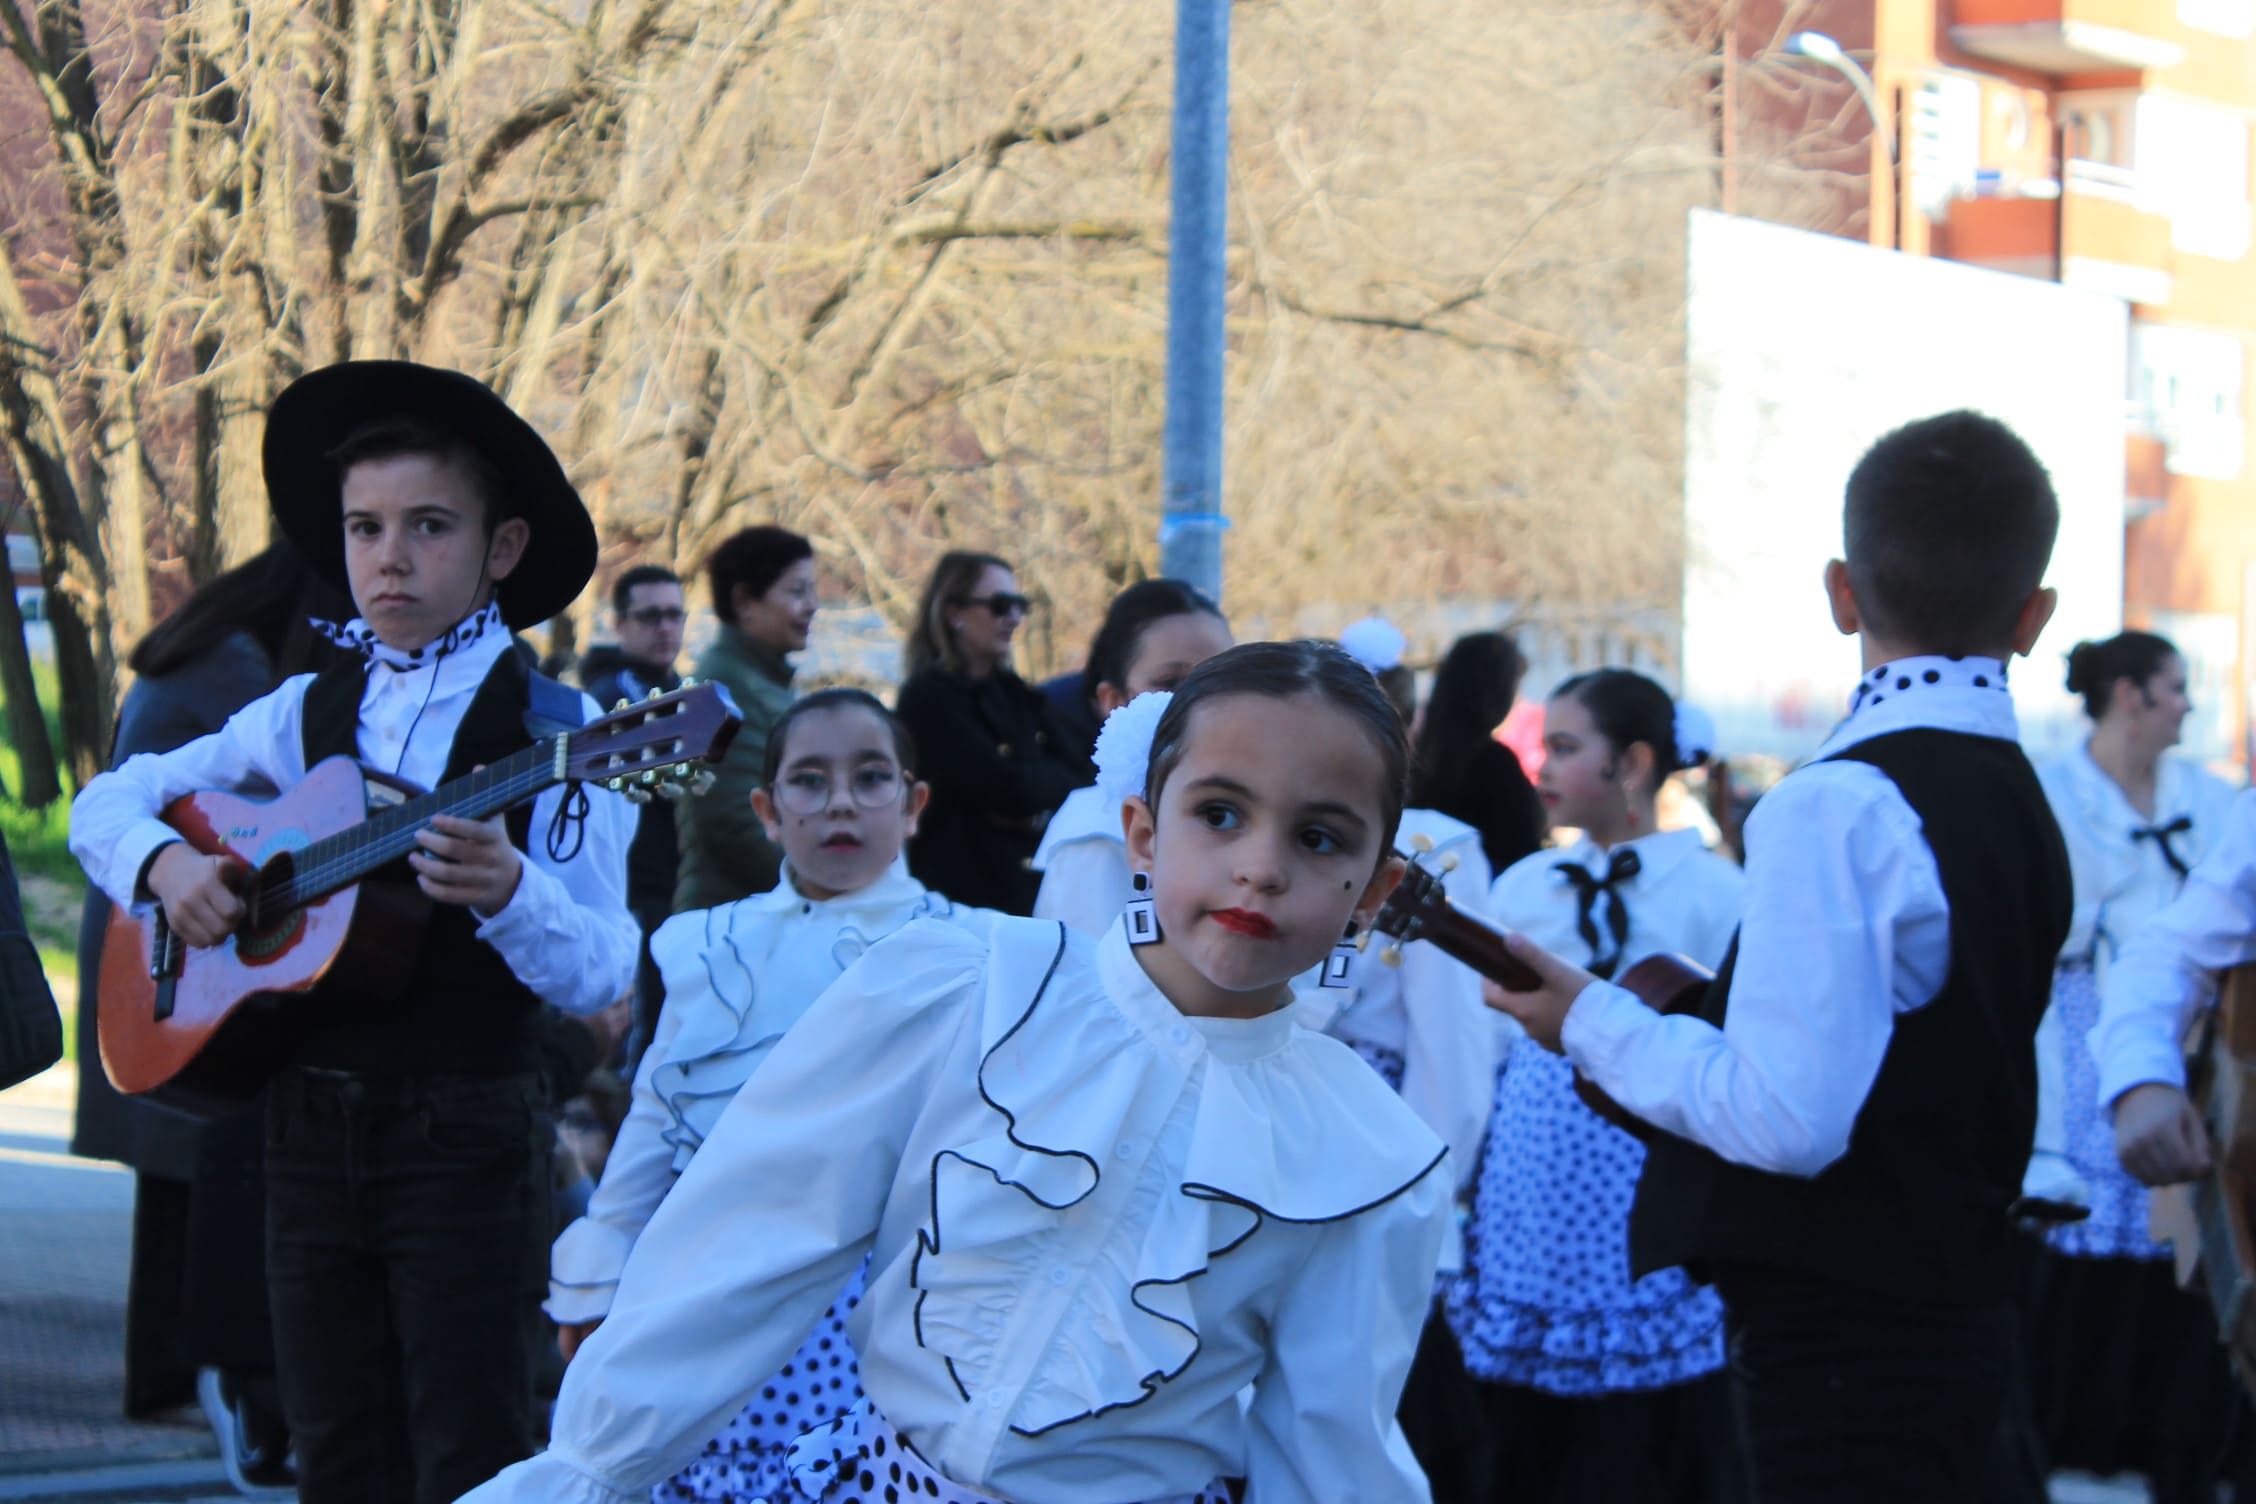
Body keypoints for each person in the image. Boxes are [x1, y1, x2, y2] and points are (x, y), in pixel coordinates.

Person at [462, 640, 1454, 1504]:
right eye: (1222, 813)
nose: (1263, 866)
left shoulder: (1368, 1158)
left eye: (1318, 837)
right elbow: (752, 1236)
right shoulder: (969, 985)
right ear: (1143, 833)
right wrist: (591, 1465)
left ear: (1372, 889)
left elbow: (1331, 1443)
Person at [69, 360, 640, 1504]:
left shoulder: (565, 731)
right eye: (364, 527)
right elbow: (106, 803)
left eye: (429, 526)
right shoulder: (302, 709)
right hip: (302, 1124)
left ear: (504, 547)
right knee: (334, 1449)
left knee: (467, 1447)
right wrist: (169, 863)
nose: (389, 556)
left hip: (465, 1134)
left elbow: (606, 963)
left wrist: (509, 889)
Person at [1487, 409, 2070, 1503]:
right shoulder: (2025, 795)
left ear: (1842, 593)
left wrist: (1588, 1020)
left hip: (1849, 1335)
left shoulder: (1838, 803)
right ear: (2034, 616)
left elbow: (1785, 1120)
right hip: (1961, 1301)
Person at [548, 688, 998, 1502]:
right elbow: (657, 1115)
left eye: (870, 779)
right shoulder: (716, 949)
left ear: (913, 801)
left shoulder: (974, 949)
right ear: (765, 807)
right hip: (711, 1281)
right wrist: (602, 1263)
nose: (840, 805)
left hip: (887, 1301)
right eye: (809, 781)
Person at [68, 543, 345, 1493]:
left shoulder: (193, 648)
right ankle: (188, 1378)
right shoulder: (237, 674)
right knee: (196, 1173)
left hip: (146, 928)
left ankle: (160, 1378)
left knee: (172, 1182)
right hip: (180, 937)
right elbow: (262, 815)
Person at [1444, 669, 1742, 1502]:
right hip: (1535, 1160)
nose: (1542, 765)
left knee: (1643, 1387)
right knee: (1528, 1395)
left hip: (1648, 1146)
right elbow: (1493, 1032)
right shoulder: (1521, 887)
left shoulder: (1718, 889)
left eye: (1567, 749)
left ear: (1635, 764)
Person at [2023, 632, 2245, 1499]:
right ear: (2129, 696)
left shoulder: (2211, 796)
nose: (2188, 703)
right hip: (2082, 1030)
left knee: (2185, 1237)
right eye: (2174, 687)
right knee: (2085, 1240)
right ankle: (2076, 1442)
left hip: (2193, 1043)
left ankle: (2176, 1446)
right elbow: (2060, 919)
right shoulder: (2052, 787)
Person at [1032, 579, 1232, 934]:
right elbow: (1093, 980)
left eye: (1223, 679)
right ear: (1115, 702)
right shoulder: (1097, 838)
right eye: (1172, 682)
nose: (1204, 701)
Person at [895, 551, 1087, 914]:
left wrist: (1029, 798)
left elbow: (1079, 773)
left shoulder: (1013, 691)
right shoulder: (928, 697)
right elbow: (1006, 790)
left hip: (1020, 890)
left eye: (1019, 605)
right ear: (954, 613)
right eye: (1000, 606)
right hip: (955, 898)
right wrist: (1028, 794)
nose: (1014, 618)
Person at [579, 564, 689, 1063]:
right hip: (632, 891)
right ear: (620, 624)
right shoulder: (604, 702)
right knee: (640, 1041)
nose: (665, 628)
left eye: (674, 615)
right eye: (650, 616)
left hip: (677, 888)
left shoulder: (686, 691)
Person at [673, 527, 815, 912]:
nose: (813, 605)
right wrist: (821, 888)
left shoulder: (762, 680)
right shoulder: (726, 685)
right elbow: (732, 822)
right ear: (744, 600)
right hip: (731, 919)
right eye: (797, 591)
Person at [1410, 631, 1547, 876]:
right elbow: (1524, 854)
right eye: (1514, 686)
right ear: (1496, 690)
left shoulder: (1412, 751)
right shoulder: (1494, 764)